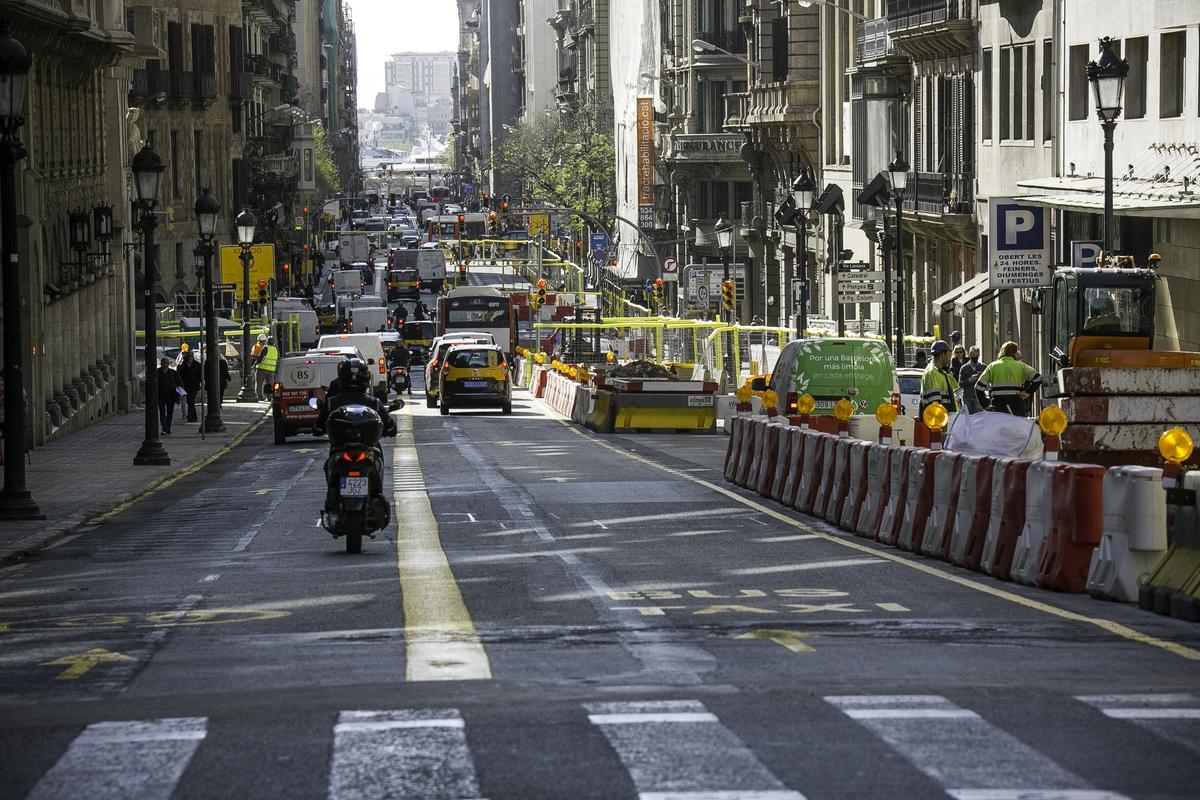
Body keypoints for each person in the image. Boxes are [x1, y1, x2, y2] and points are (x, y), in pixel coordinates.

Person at [977, 340, 1042, 416]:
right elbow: (1038, 378)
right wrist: (1028, 392)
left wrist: (985, 406)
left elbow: (978, 387)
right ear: (1015, 353)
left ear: (1002, 352)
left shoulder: (992, 366)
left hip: (998, 408)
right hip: (1017, 407)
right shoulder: (1021, 366)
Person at [919, 340, 959, 415]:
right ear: (942, 355)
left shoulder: (940, 372)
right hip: (937, 422)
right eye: (948, 354)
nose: (949, 357)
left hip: (944, 419)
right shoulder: (932, 372)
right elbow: (935, 404)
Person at [957, 345, 987, 413]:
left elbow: (988, 381)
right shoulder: (964, 368)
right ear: (970, 355)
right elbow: (960, 383)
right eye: (973, 355)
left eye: (977, 356)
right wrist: (970, 380)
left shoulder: (983, 367)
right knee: (968, 418)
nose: (975, 357)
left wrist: (981, 379)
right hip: (967, 397)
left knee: (978, 419)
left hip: (979, 397)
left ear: (979, 355)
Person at [177, 347, 203, 422]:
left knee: (191, 401)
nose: (190, 357)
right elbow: (179, 375)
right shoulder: (183, 365)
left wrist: (199, 383)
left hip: (194, 386)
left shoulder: (197, 365)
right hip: (185, 386)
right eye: (188, 356)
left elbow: (200, 376)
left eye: (191, 356)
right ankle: (193, 416)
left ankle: (190, 416)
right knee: (190, 401)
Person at [156, 357, 181, 435]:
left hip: (171, 396)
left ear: (169, 364)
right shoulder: (157, 372)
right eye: (164, 363)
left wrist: (180, 394)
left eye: (167, 363)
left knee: (170, 413)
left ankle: (167, 428)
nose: (165, 365)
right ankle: (164, 428)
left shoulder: (173, 372)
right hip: (161, 396)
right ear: (161, 364)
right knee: (162, 413)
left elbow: (179, 383)